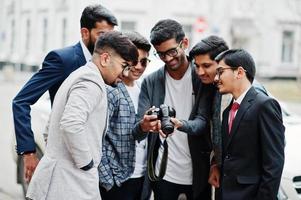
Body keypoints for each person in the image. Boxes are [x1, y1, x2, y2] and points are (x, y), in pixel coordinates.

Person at [26, 31, 139, 200]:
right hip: (70, 184)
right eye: (124, 66)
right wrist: (87, 163)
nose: (125, 74)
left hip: (64, 180)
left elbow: (51, 127)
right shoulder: (90, 82)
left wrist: (59, 154)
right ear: (106, 58)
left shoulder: (81, 75)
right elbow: (71, 123)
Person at [12, 4, 117, 183]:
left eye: (111, 35)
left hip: (101, 160)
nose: (108, 42)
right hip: (69, 158)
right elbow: (20, 101)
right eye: (102, 35)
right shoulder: (62, 59)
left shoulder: (109, 62)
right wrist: (28, 152)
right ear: (85, 33)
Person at [132, 19, 215, 200]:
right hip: (163, 173)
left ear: (184, 43)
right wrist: (145, 125)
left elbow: (202, 123)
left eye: (171, 51)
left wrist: (179, 124)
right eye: (161, 54)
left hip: (198, 172)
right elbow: (138, 132)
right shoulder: (151, 82)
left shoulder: (202, 78)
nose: (168, 58)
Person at [213, 49, 285, 200]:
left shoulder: (265, 105)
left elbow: (273, 165)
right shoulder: (227, 112)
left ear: (239, 72)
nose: (216, 78)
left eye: (220, 72)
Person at [98, 31, 151, 200]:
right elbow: (97, 139)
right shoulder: (110, 89)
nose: (138, 67)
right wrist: (108, 180)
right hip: (116, 181)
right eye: (134, 61)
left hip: (141, 177)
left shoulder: (145, 88)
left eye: (143, 62)